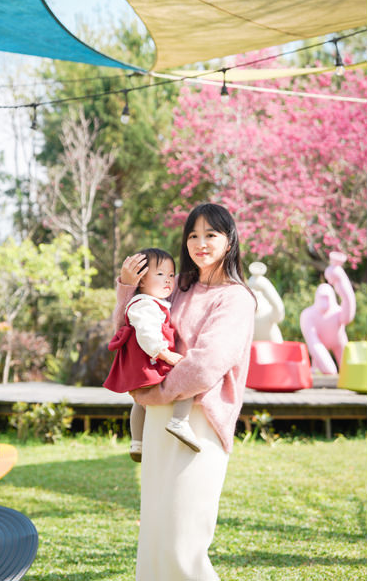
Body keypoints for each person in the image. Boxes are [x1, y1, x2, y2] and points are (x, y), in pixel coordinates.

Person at [115, 203, 256, 581]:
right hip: (159, 420)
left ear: (229, 241)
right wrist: (127, 287)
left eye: (211, 234)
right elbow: (128, 333)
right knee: (156, 537)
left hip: (199, 422)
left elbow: (207, 364)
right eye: (193, 234)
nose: (200, 242)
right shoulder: (176, 288)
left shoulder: (236, 298)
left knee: (183, 543)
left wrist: (155, 394)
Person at [103, 248, 199, 460]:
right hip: (151, 364)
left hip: (143, 367)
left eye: (171, 275)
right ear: (141, 281)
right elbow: (146, 334)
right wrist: (165, 354)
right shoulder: (145, 304)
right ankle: (179, 421)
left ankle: (137, 443)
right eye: (160, 274)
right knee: (190, 378)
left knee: (139, 404)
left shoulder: (152, 303)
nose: (168, 280)